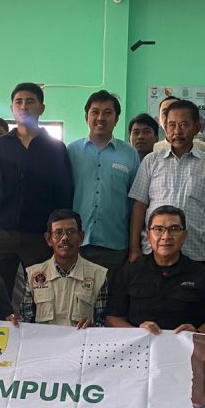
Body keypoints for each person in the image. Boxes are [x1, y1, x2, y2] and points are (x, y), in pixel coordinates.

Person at [0, 82, 74, 298]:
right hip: (1, 234)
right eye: (18, 102)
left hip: (39, 236)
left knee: (42, 296)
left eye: (30, 101)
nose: (23, 106)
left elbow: (64, 193)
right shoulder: (1, 145)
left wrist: (55, 233)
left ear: (41, 108)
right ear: (12, 108)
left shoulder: (55, 147)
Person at [128, 99, 205, 273]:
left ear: (197, 128)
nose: (177, 131)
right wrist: (134, 247)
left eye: (184, 125)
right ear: (165, 128)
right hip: (153, 250)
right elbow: (139, 206)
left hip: (195, 251)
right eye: (172, 125)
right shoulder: (151, 161)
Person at [107, 205, 205, 335]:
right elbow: (112, 318)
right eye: (158, 229)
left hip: (185, 346)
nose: (166, 236)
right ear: (148, 235)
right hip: (140, 345)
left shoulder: (201, 274)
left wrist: (196, 332)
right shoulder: (130, 272)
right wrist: (137, 332)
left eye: (174, 229)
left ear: (185, 235)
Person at [66, 89, 139, 279]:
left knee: (113, 296)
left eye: (107, 112)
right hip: (77, 243)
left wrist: (134, 246)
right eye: (95, 112)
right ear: (86, 117)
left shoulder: (129, 154)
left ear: (116, 119)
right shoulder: (70, 151)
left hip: (116, 244)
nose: (100, 118)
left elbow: (136, 203)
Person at [19, 210, 108, 328]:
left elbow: (102, 324)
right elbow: (26, 323)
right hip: (44, 340)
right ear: (49, 239)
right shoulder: (33, 274)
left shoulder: (98, 275)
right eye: (58, 232)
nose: (65, 237)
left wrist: (92, 327)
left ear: (81, 237)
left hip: (80, 340)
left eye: (71, 232)